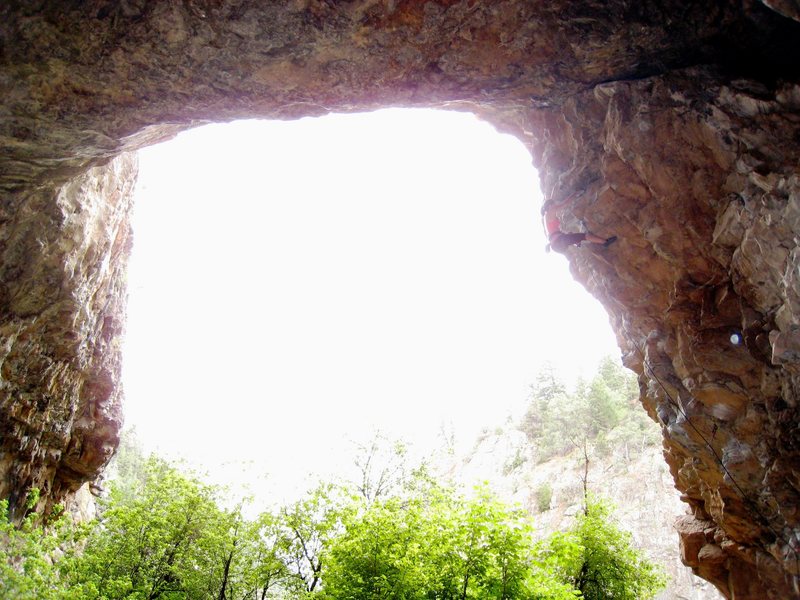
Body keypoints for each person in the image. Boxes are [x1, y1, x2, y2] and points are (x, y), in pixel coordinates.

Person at [542, 195, 616, 253]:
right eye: (553, 204)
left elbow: (555, 233)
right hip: (559, 241)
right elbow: (564, 204)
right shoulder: (550, 211)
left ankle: (577, 243)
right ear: (550, 206)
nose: (555, 205)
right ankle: (605, 242)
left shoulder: (547, 217)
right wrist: (574, 195)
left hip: (557, 244)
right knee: (585, 236)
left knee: (572, 235)